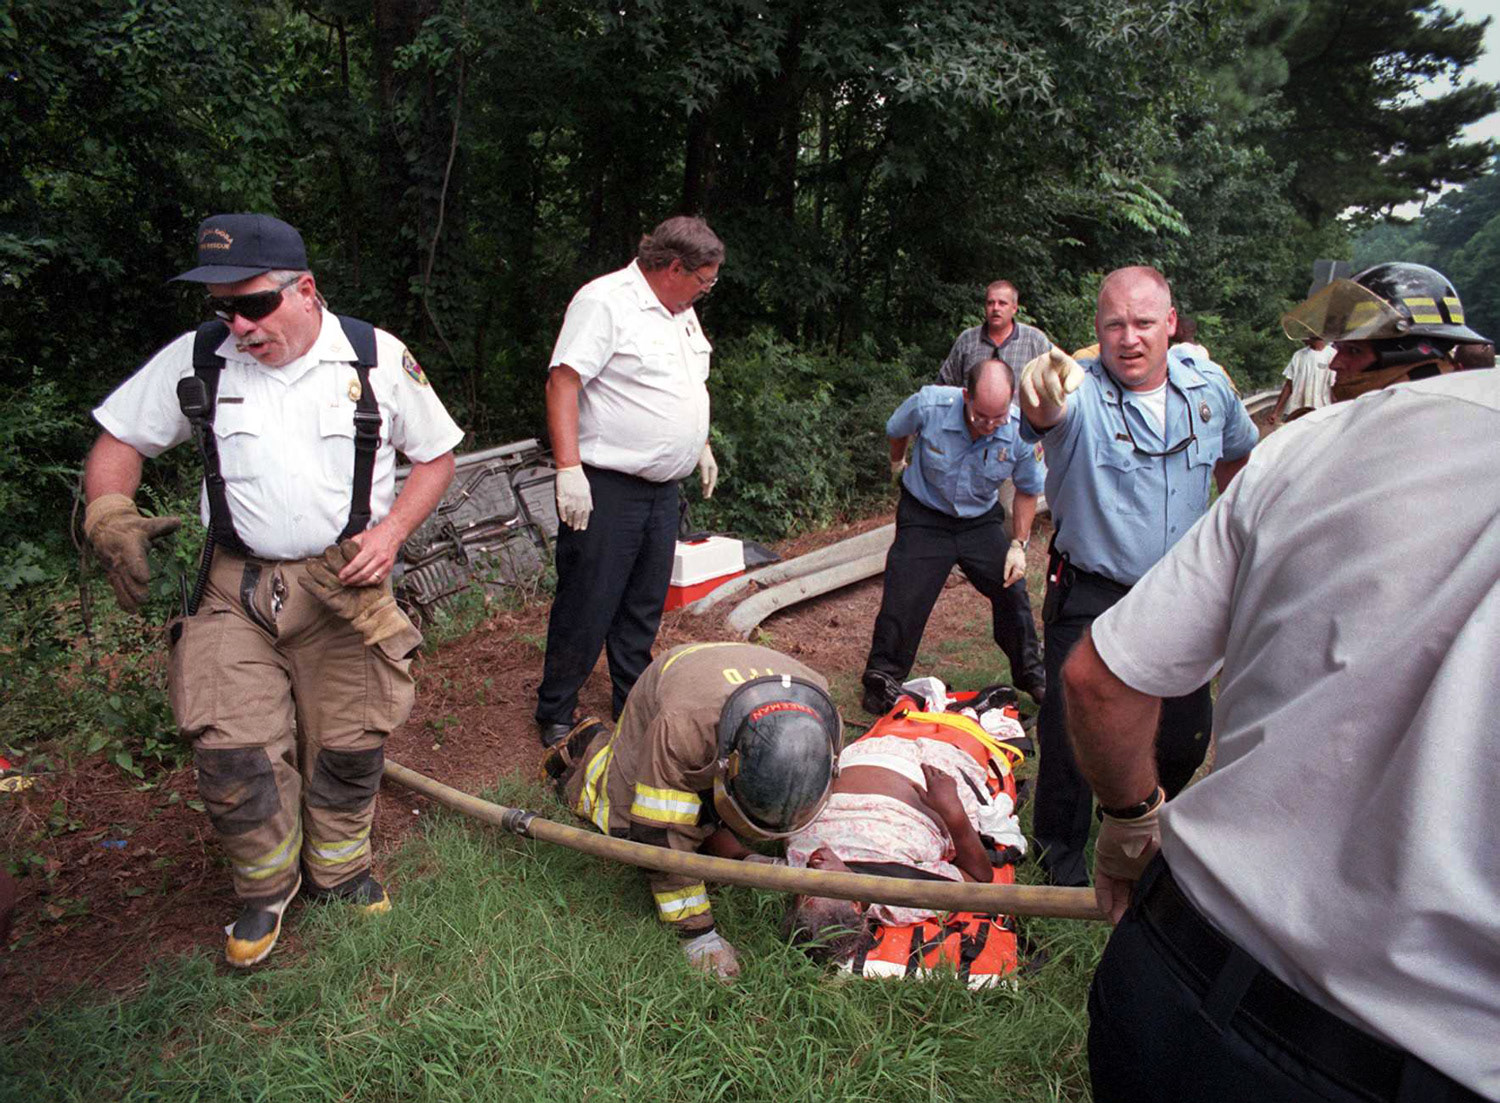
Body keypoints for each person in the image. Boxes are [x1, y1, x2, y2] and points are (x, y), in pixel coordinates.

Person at [1061, 261, 1496, 1101]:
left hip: (1186, 966)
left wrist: (1127, 826)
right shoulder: (1084, 388)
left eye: (1341, 353)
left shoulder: (1296, 444)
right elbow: (1047, 412)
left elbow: (1101, 683)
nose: (1327, 369)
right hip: (1440, 1054)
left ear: (1375, 359)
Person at [84, 213, 462, 967]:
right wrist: (109, 511)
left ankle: (341, 867)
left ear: (305, 288)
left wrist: (389, 537)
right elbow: (118, 441)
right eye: (222, 306)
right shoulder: (201, 358)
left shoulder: (374, 357)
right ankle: (265, 888)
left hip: (342, 587)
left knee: (353, 742)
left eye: (253, 303)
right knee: (232, 750)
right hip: (235, 587)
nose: (238, 324)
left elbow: (438, 456)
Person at [1015, 265, 1257, 887]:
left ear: (1170, 324)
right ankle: (1059, 869)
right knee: (1071, 735)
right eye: (1115, 324)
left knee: (1181, 733)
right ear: (1097, 329)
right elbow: (1043, 411)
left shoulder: (1209, 389)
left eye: (1145, 323)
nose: (1130, 338)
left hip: (1181, 590)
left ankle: (1147, 833)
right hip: (1092, 588)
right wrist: (1036, 392)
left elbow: (1238, 458)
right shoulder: (1077, 390)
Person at [543, 641, 841, 980]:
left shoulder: (824, 720)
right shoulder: (680, 725)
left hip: (737, 681)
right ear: (731, 761)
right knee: (625, 822)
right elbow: (660, 837)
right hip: (680, 678)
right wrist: (699, 936)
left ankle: (727, 845)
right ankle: (587, 747)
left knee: (704, 807)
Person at [536, 216, 724, 747]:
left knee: (644, 601)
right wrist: (568, 468)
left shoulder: (680, 314)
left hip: (663, 491)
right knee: (588, 599)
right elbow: (564, 380)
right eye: (703, 281)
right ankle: (556, 710)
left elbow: (683, 385)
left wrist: (698, 443)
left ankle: (632, 698)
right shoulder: (605, 302)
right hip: (607, 485)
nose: (705, 292)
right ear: (671, 267)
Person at [861, 359, 1047, 713]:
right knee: (904, 595)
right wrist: (897, 464)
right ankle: (881, 679)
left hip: (979, 521)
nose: (990, 426)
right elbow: (896, 428)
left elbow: (1027, 489)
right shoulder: (929, 405)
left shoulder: (1021, 430)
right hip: (925, 515)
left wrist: (1018, 546)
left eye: (999, 418)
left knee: (1012, 589)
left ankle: (1034, 676)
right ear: (966, 396)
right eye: (981, 417)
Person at [936, 280, 1053, 388]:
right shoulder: (967, 340)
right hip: (974, 410)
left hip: (1021, 410)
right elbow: (944, 384)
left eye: (1002, 303)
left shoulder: (1035, 340)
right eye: (990, 303)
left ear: (1014, 308)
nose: (995, 308)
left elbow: (1055, 382)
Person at [1268, 336, 1335, 422]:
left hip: (1321, 412)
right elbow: (1289, 385)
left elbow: (1335, 388)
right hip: (1294, 411)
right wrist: (1275, 412)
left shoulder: (1332, 355)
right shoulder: (1298, 355)